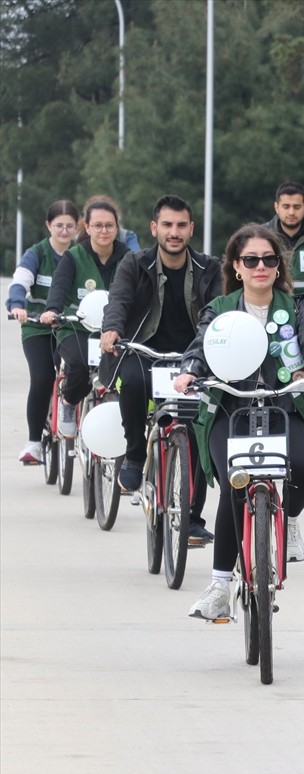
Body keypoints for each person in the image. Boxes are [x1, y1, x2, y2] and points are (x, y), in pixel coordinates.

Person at [173, 224, 304, 620]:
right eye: (250, 260)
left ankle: (290, 522)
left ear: (278, 264)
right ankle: (220, 586)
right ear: (236, 266)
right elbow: (201, 346)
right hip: (230, 409)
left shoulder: (297, 305)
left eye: (269, 259)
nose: (260, 267)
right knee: (235, 486)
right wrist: (188, 371)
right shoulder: (221, 310)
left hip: (283, 407)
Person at [98, 195, 222, 544]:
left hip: (193, 358)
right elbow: (118, 300)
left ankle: (193, 517)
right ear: (155, 228)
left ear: (191, 229)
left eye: (181, 225)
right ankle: (135, 455)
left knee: (199, 429)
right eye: (167, 225)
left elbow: (220, 310)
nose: (174, 232)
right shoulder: (134, 264)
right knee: (134, 382)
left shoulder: (209, 267)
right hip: (145, 350)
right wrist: (112, 329)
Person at [39, 199, 132, 435]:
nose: (104, 231)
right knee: (79, 364)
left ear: (117, 228)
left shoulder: (129, 258)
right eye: (98, 225)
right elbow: (58, 288)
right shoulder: (73, 257)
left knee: (131, 369)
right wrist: (52, 310)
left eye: (109, 226)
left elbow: (140, 291)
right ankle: (69, 402)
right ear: (87, 228)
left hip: (116, 329)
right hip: (76, 328)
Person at [6, 200, 80, 463]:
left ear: (77, 226)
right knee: (42, 378)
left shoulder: (81, 254)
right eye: (58, 225)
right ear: (48, 225)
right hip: (37, 328)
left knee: (82, 374)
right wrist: (17, 305)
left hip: (71, 327)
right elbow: (20, 282)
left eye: (69, 226)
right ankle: (34, 441)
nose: (64, 231)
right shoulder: (36, 253)